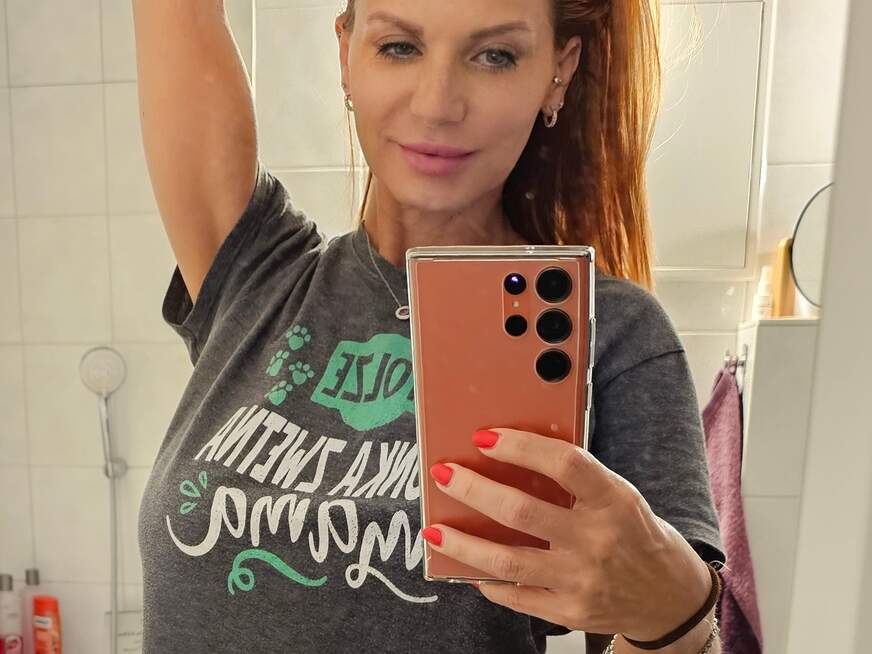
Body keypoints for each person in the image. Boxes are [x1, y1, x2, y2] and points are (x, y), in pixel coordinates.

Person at [133, 1, 726, 652]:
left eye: (494, 56)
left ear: (557, 72)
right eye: (399, 47)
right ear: (346, 54)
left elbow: (665, 622)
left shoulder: (610, 334)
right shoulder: (259, 276)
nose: (438, 104)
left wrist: (674, 610)